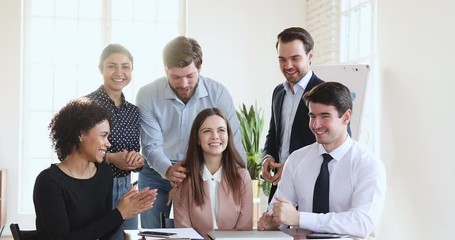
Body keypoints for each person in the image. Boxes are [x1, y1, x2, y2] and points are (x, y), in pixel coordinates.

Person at [136, 36, 246, 228]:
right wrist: (168, 170)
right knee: (153, 232)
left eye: (190, 76)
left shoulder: (218, 93)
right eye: (176, 77)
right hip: (156, 169)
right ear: (165, 70)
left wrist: (239, 180)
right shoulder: (148, 94)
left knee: (200, 228)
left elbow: (233, 138)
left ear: (199, 69)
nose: (184, 84)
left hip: (201, 169)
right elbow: (150, 145)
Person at [257, 82, 386, 238]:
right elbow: (279, 209)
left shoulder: (368, 164)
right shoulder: (297, 159)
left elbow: (361, 223)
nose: (315, 125)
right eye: (312, 116)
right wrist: (273, 220)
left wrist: (300, 218)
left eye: (325, 116)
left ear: (346, 117)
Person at [33, 97, 157, 240]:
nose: (108, 143)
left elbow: (103, 233)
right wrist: (119, 213)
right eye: (103, 136)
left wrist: (126, 211)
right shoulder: (48, 181)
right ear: (80, 134)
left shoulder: (104, 173)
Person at [85, 43, 144, 240]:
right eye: (112, 66)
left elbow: (134, 152)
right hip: (94, 188)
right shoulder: (86, 106)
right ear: (101, 69)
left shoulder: (134, 111)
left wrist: (137, 160)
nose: (119, 72)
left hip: (127, 189)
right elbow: (71, 151)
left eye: (125, 66)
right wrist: (110, 158)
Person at [261, 27, 324, 203]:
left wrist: (290, 169)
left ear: (310, 56)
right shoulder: (278, 93)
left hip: (310, 191)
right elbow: (273, 135)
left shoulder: (326, 93)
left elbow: (333, 146)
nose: (288, 66)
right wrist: (267, 157)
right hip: (280, 189)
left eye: (295, 58)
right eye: (282, 59)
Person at [173, 108, 253, 237]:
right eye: (207, 131)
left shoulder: (242, 177)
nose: (215, 136)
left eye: (221, 130)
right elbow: (184, 231)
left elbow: (244, 229)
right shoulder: (184, 176)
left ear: (228, 136)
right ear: (198, 139)